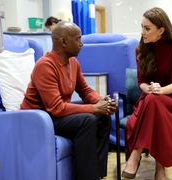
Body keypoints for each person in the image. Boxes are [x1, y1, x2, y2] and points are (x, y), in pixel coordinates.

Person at [20, 21, 117, 180]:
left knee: (103, 116)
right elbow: (56, 108)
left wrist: (102, 101)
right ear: (64, 42)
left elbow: (85, 91)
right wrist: (94, 108)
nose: (82, 43)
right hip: (39, 118)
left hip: (55, 115)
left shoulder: (73, 63)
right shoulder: (45, 66)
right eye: (78, 39)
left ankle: (97, 174)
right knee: (87, 120)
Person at [121, 7, 172, 180]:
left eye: (147, 28)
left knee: (153, 101)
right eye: (142, 27)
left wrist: (160, 90)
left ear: (161, 30)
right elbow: (141, 82)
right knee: (151, 100)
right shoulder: (140, 49)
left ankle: (135, 156)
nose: (142, 32)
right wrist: (149, 89)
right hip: (148, 99)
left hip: (169, 99)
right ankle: (160, 169)